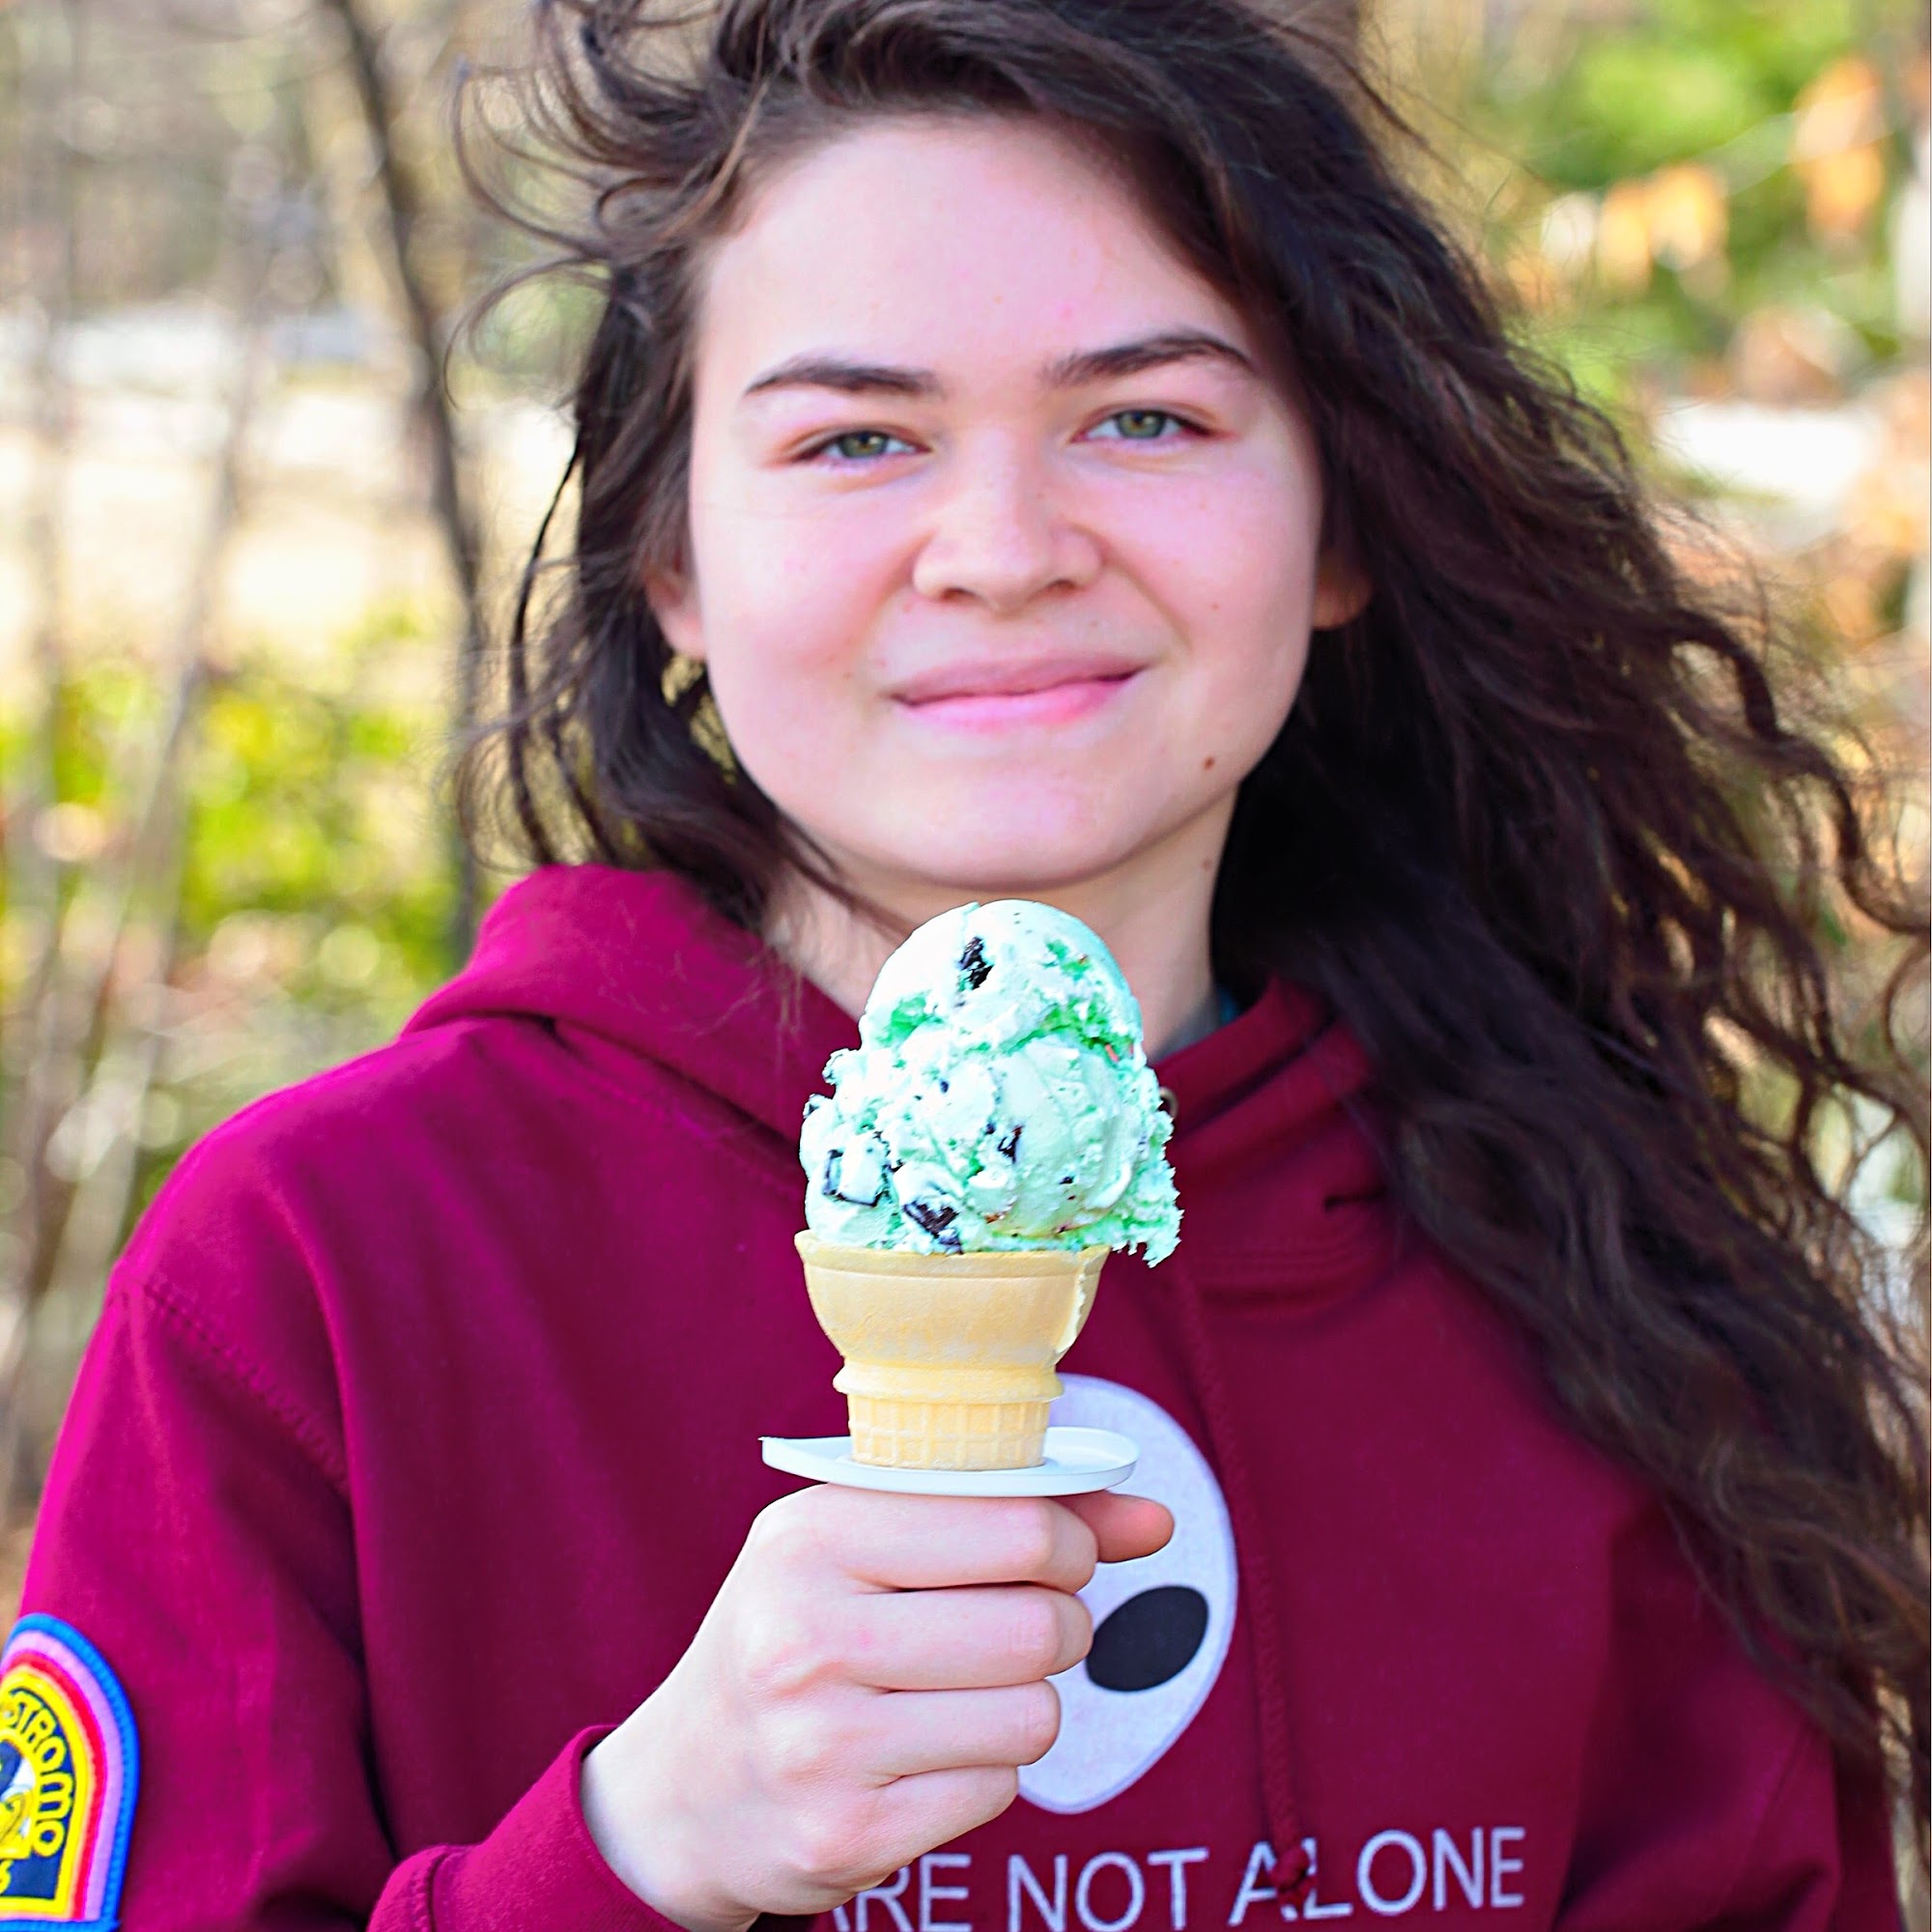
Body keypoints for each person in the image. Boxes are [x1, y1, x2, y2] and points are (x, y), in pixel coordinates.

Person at [9, 0, 1926, 1925]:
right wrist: (633, 1853)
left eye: (1146, 418)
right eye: (856, 438)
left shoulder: (1601, 1261)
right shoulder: (315, 1271)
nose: (1002, 550)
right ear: (669, 556)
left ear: (1345, 517)